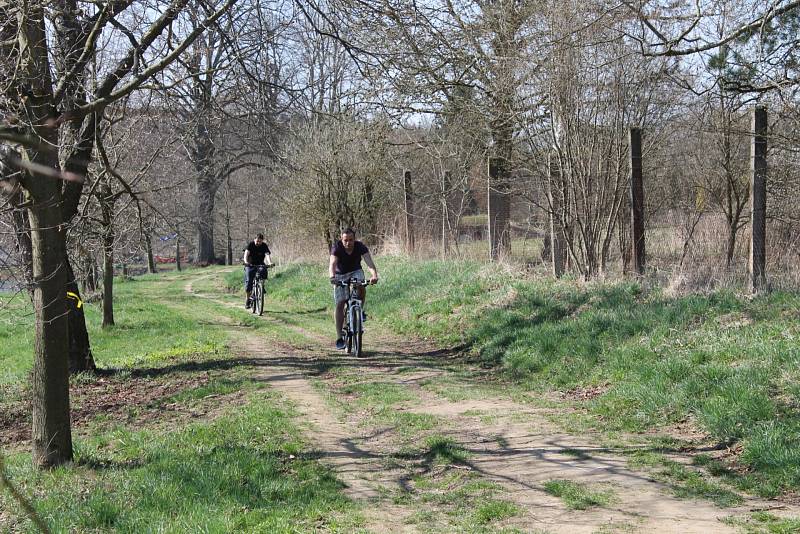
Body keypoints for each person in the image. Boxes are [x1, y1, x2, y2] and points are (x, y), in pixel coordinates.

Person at [329, 228, 378, 350]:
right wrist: (332, 277)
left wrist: (374, 275)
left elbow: (369, 263)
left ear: (354, 239)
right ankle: (340, 337)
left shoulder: (360, 247)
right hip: (340, 275)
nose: (348, 243)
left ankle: (360, 310)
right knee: (340, 303)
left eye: (351, 240)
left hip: (355, 271)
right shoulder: (337, 247)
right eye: (345, 240)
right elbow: (332, 265)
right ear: (342, 239)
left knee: (361, 285)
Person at [243, 233, 273, 308]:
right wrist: (246, 262)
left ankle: (261, 285)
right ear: (254, 239)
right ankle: (248, 300)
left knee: (264, 271)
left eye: (260, 241)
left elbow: (267, 255)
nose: (258, 243)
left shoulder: (264, 246)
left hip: (260, 264)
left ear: (262, 241)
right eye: (257, 241)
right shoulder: (251, 244)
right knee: (249, 279)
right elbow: (246, 254)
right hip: (250, 264)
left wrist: (269, 263)